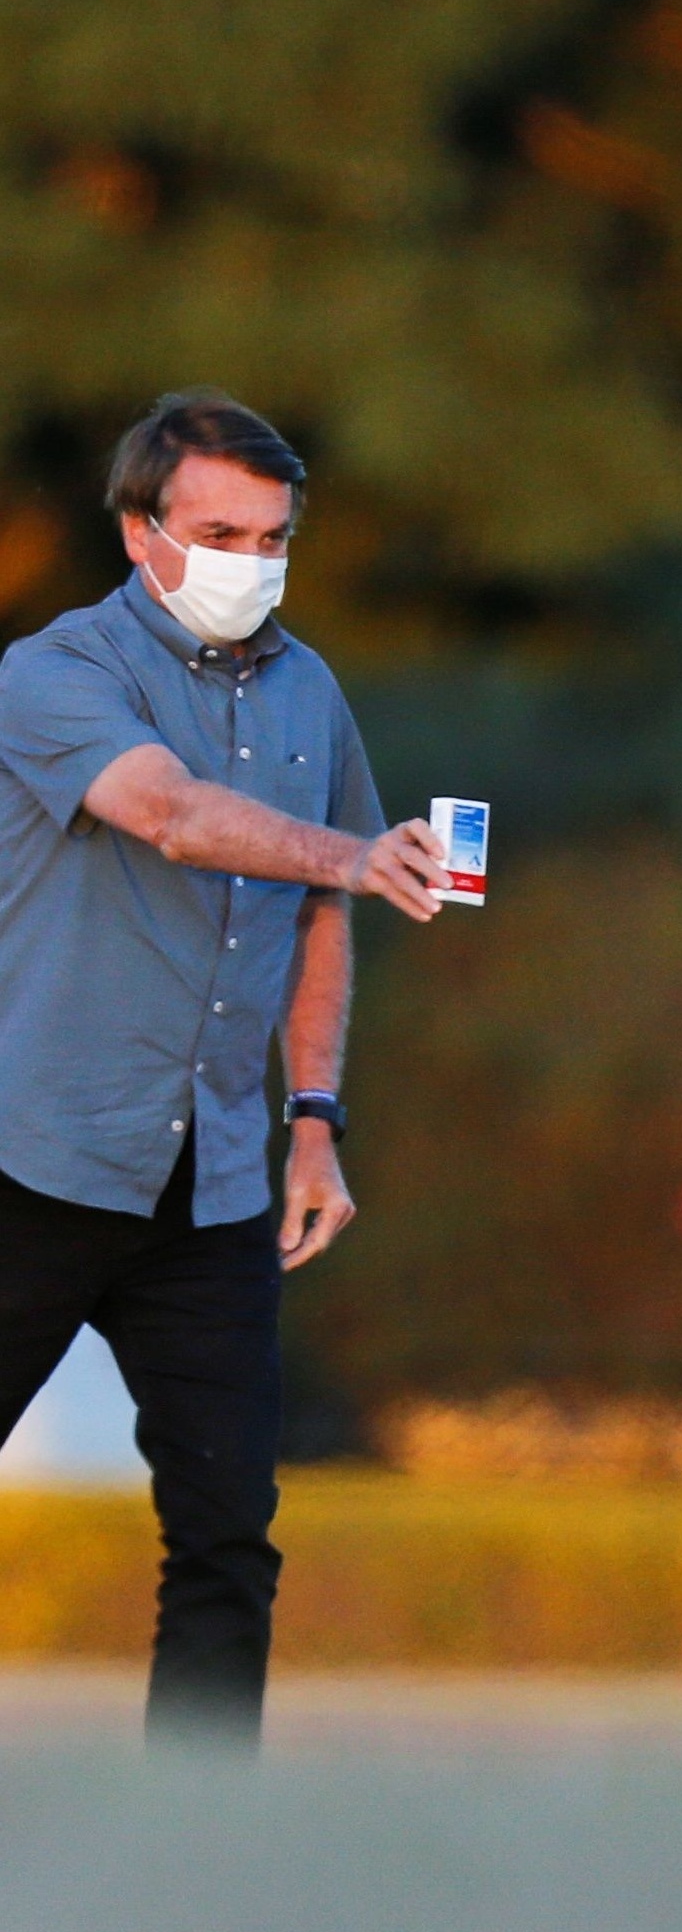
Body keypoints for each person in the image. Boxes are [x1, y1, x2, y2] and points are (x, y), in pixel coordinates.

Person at [0, 390, 449, 1743]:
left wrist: (313, 1122)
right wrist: (354, 856)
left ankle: (192, 1843)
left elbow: (324, 918)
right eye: (218, 532)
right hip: (34, 1156)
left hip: (213, 1189)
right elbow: (176, 818)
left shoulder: (311, 690)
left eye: (273, 537)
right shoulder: (53, 672)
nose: (250, 562)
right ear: (143, 534)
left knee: (227, 1536)